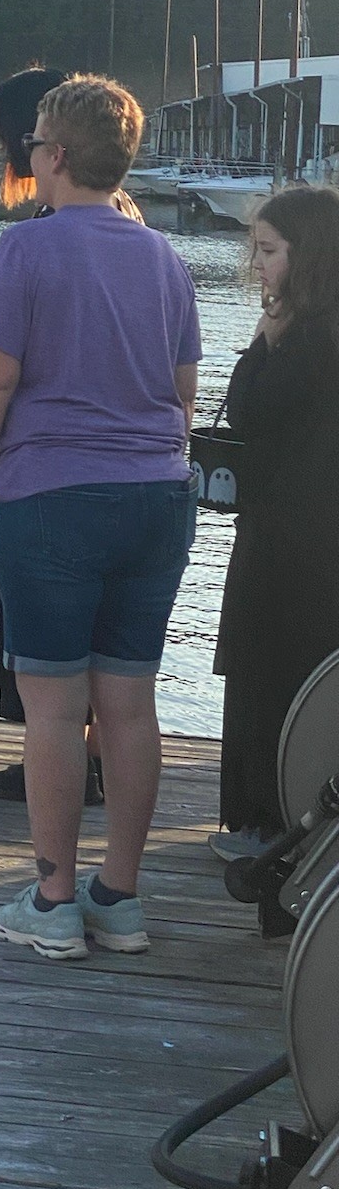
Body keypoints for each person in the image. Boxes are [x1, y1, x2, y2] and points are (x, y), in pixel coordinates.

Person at [0, 75, 199, 960]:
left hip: (54, 494)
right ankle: (120, 898)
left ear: (54, 155)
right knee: (129, 706)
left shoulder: (29, 250)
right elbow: (181, 395)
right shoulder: (164, 256)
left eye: (32, 142)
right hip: (156, 496)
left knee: (54, 709)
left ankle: (54, 899)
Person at [211, 187, 339, 859]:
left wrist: (261, 342)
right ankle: (299, 815)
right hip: (318, 534)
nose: (256, 263)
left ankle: (267, 821)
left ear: (307, 254)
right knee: (310, 677)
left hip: (290, 537)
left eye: (268, 250)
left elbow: (250, 412)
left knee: (268, 670)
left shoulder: (308, 337)